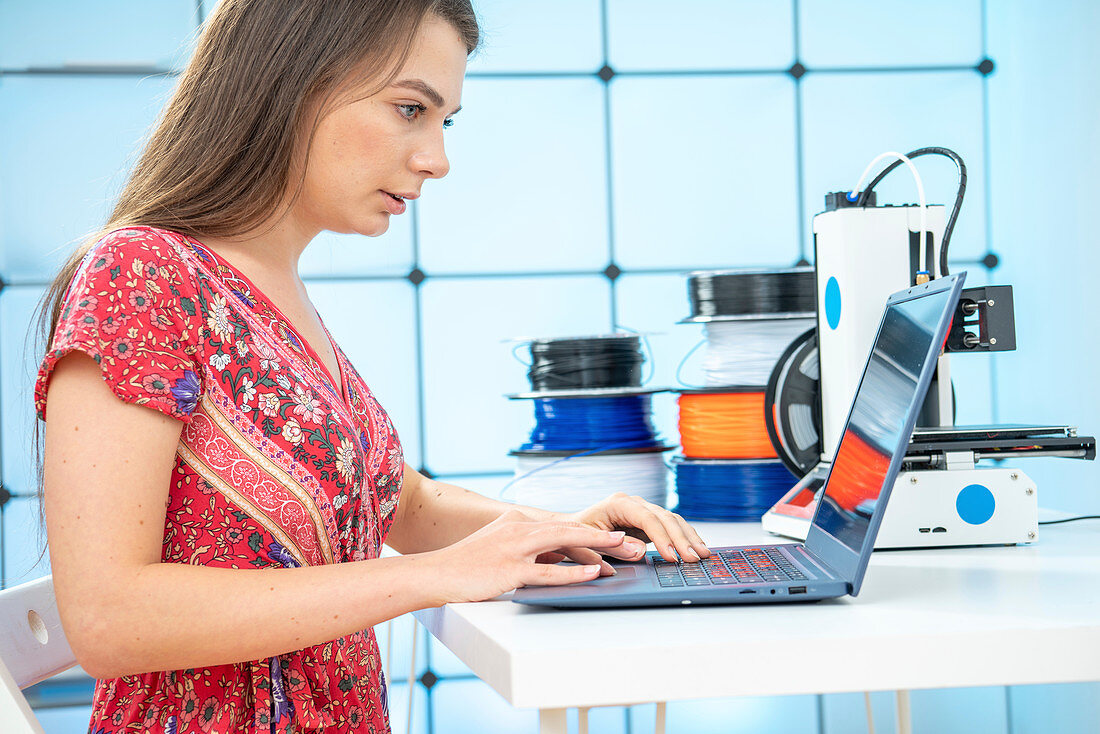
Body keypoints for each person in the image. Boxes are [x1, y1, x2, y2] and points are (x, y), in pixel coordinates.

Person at [34, 1, 711, 732]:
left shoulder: (273, 288)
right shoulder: (141, 274)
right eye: (410, 108)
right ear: (290, 81)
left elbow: (398, 505)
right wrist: (434, 576)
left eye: (444, 121)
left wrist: (553, 530)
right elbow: (108, 620)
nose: (437, 159)